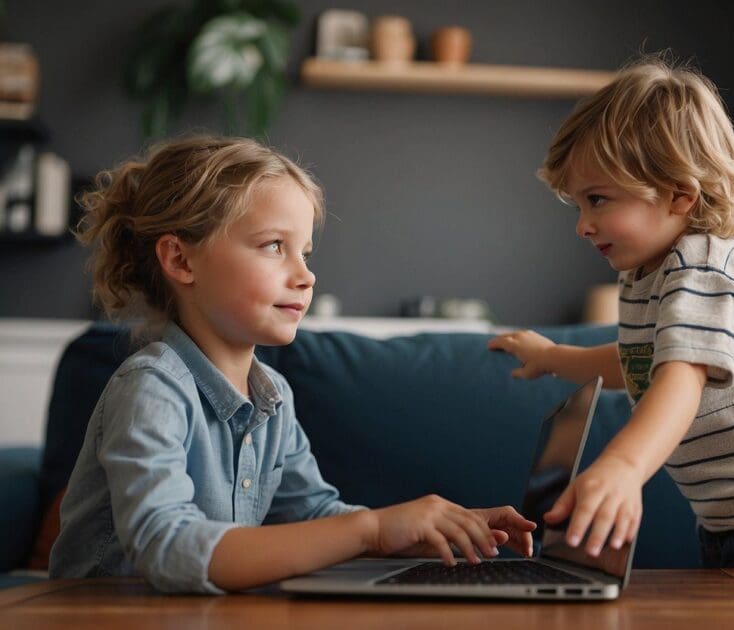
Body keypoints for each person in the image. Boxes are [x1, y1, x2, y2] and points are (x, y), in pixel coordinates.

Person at [49, 135, 535, 593]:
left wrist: (429, 531)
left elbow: (314, 516)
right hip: (105, 615)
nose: (306, 275)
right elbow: (168, 547)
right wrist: (371, 529)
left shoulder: (273, 398)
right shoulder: (151, 388)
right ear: (181, 260)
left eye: (304, 251)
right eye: (273, 246)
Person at [488, 59, 734, 570]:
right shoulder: (642, 275)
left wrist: (622, 466)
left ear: (681, 194)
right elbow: (640, 365)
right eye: (578, 206)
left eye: (597, 200)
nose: (583, 226)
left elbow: (680, 379)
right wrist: (553, 357)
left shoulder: (704, 266)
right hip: (731, 516)